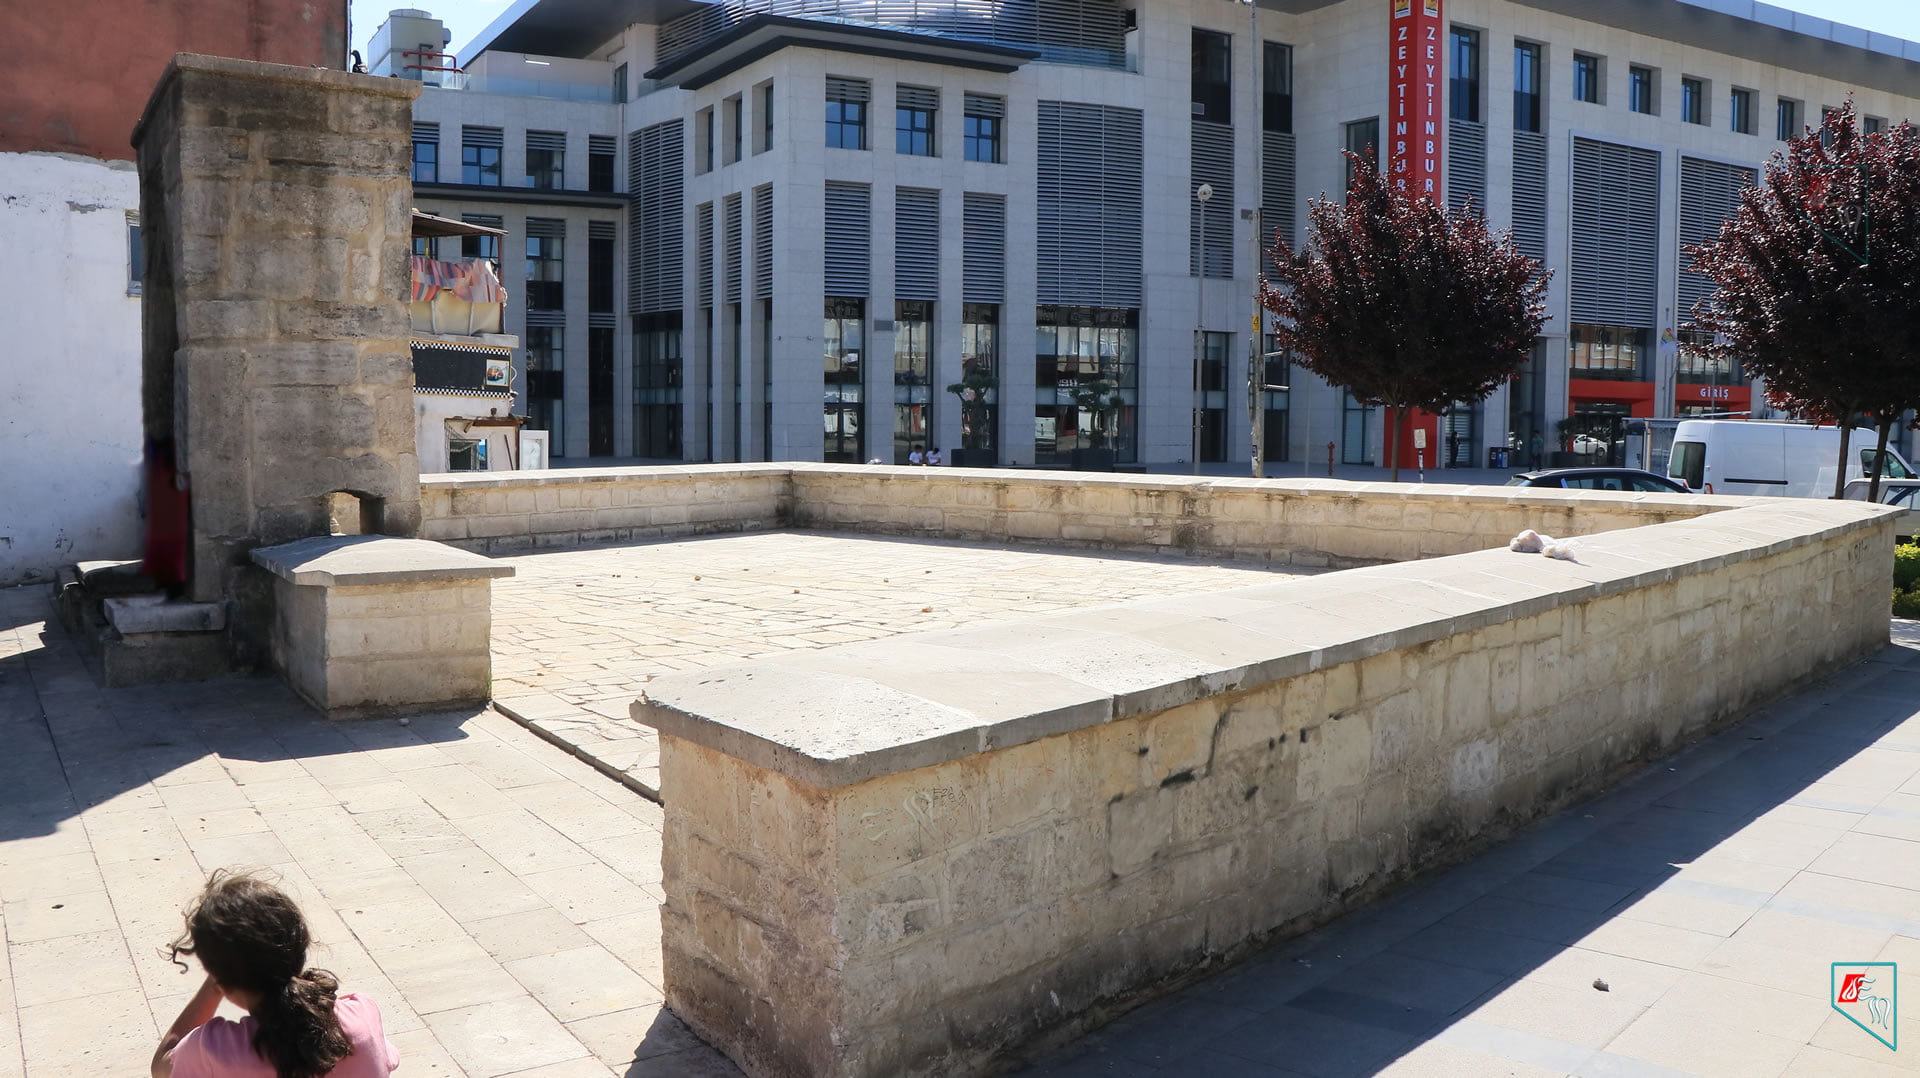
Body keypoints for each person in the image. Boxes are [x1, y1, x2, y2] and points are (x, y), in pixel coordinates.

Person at [153, 871, 399, 1078]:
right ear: (299, 948)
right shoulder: (363, 1015)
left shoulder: (212, 1051)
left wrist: (212, 987)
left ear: (220, 978)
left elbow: (162, 1067)